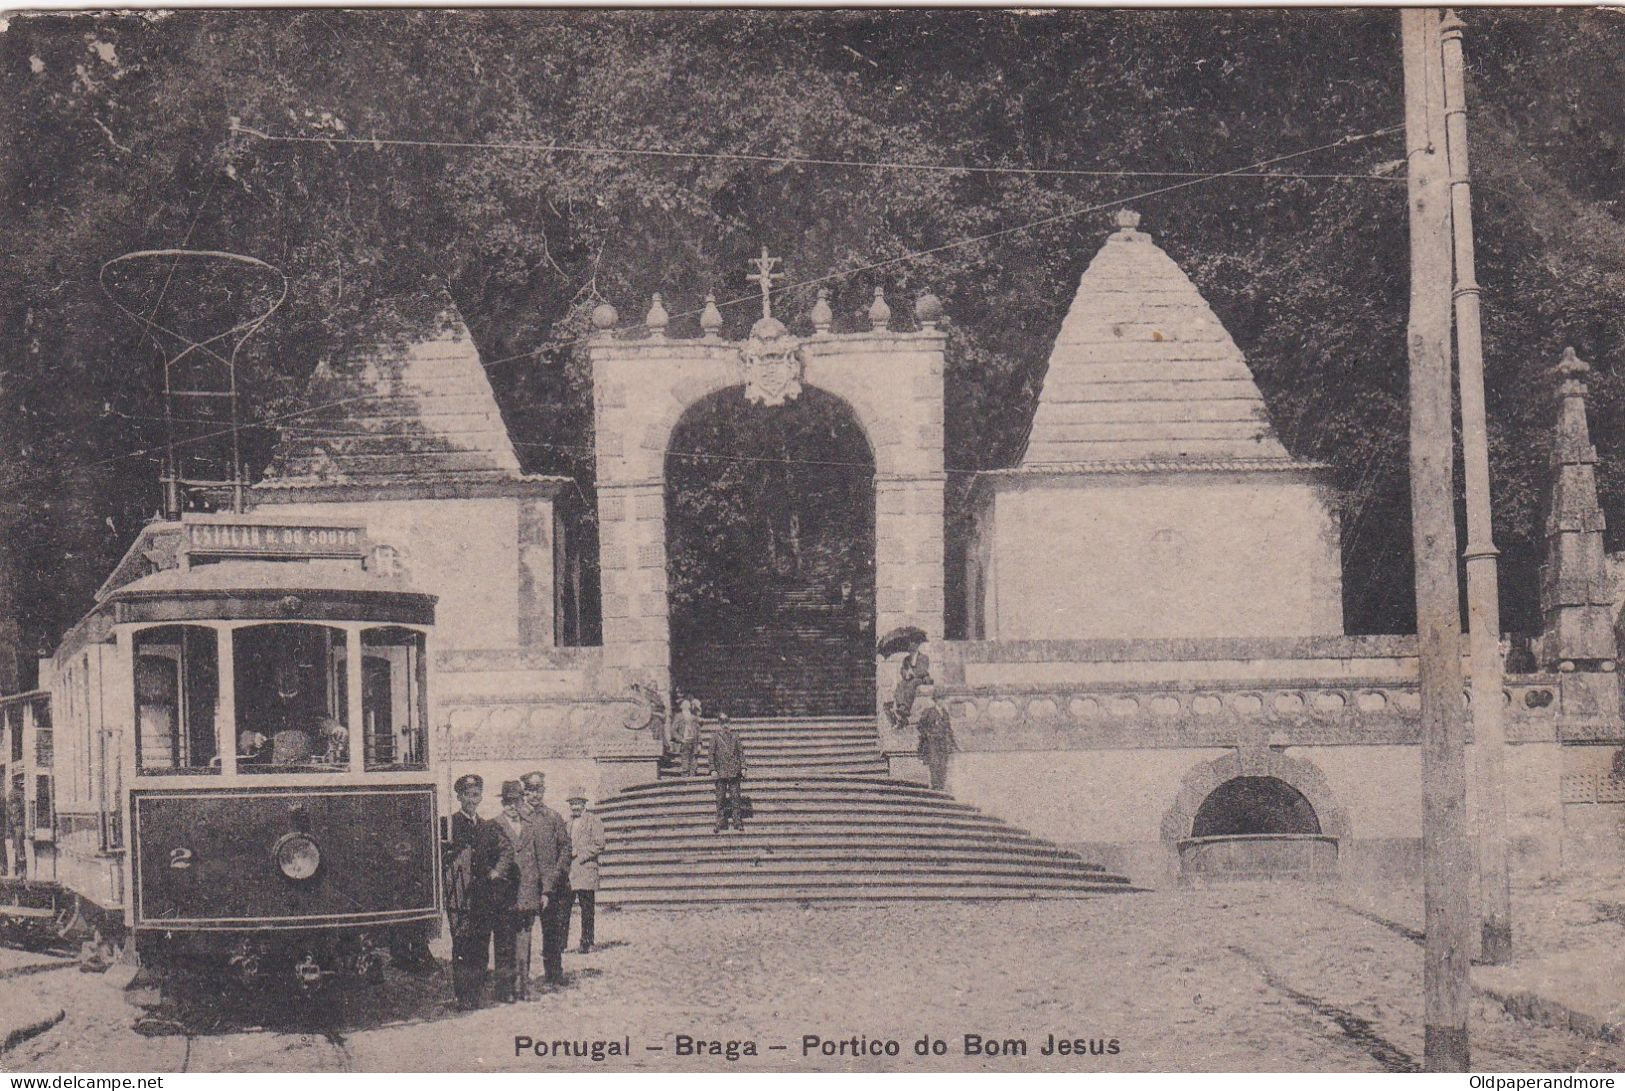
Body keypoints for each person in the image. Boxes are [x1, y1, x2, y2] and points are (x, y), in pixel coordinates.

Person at [520, 771, 573, 989]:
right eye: (531, 790)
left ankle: (554, 972)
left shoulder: (553, 817)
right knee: (523, 933)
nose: (535, 794)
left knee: (553, 931)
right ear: (524, 792)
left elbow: (566, 847)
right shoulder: (518, 817)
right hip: (527, 887)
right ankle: (521, 978)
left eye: (539, 789)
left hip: (552, 886)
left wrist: (556, 875)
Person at [443, 774, 491, 1009]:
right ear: (459, 797)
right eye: (468, 795)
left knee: (480, 944)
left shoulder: (485, 826)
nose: (473, 799)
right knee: (462, 944)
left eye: (476, 795)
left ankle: (477, 993)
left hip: (481, 896)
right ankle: (463, 996)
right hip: (460, 895)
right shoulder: (449, 825)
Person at [486, 781, 529, 1003]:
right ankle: (504, 989)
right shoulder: (493, 825)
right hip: (502, 894)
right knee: (503, 941)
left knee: (522, 943)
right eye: (508, 802)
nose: (512, 806)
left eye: (516, 801)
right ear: (503, 803)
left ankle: (522, 986)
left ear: (522, 802)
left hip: (525, 892)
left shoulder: (529, 825)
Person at [566, 787, 606, 954]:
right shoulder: (567, 823)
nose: (575, 807)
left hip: (586, 870)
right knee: (564, 909)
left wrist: (580, 854)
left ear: (584, 804)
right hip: (570, 872)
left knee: (587, 909)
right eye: (572, 803)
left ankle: (587, 942)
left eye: (578, 803)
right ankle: (561, 943)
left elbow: (599, 844)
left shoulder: (593, 820)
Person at [708, 714, 746, 832]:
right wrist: (712, 769)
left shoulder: (735, 736)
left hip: (734, 772)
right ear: (719, 724)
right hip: (720, 772)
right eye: (722, 722)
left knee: (736, 798)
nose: (725, 725)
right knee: (720, 799)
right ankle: (720, 823)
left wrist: (743, 767)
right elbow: (711, 755)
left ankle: (737, 822)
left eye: (727, 722)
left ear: (730, 723)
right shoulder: (715, 737)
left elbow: (741, 753)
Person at [914, 690, 957, 791]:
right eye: (940, 699)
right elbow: (920, 726)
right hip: (932, 742)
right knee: (934, 763)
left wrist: (953, 742)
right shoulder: (929, 711)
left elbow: (949, 728)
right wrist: (927, 735)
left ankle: (941, 786)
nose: (942, 701)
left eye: (943, 699)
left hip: (943, 743)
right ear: (936, 700)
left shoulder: (945, 713)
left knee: (943, 764)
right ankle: (936, 787)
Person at [886, 641, 933, 729]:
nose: (911, 648)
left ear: (916, 647)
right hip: (909, 678)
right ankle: (901, 706)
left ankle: (905, 707)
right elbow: (902, 669)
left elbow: (923, 670)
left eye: (913, 646)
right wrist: (906, 674)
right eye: (909, 646)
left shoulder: (924, 657)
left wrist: (913, 673)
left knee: (912, 684)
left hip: (920, 678)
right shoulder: (906, 659)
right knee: (900, 685)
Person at [6, 777, 25, 878]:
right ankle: (20, 871)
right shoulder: (17, 794)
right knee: (18, 847)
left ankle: (21, 871)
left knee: (19, 848)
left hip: (17, 825)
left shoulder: (14, 794)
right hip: (16, 825)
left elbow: (9, 812)